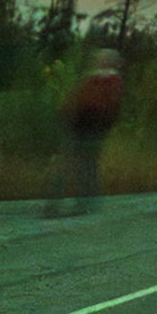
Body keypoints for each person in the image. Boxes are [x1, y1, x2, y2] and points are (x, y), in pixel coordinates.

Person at [46, 47, 123, 216]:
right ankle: (61, 204)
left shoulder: (111, 81)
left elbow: (110, 108)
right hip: (78, 126)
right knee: (74, 165)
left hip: (92, 128)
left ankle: (84, 204)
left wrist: (102, 126)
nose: (98, 60)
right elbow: (74, 100)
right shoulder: (91, 79)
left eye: (102, 58)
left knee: (85, 167)